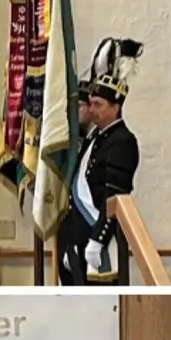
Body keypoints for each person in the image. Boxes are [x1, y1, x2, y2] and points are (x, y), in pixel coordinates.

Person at [59, 37, 142, 286]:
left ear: (116, 107)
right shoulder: (96, 136)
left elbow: (115, 195)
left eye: (98, 104)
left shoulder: (122, 140)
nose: (91, 109)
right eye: (90, 104)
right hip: (78, 234)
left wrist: (99, 238)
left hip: (97, 237)